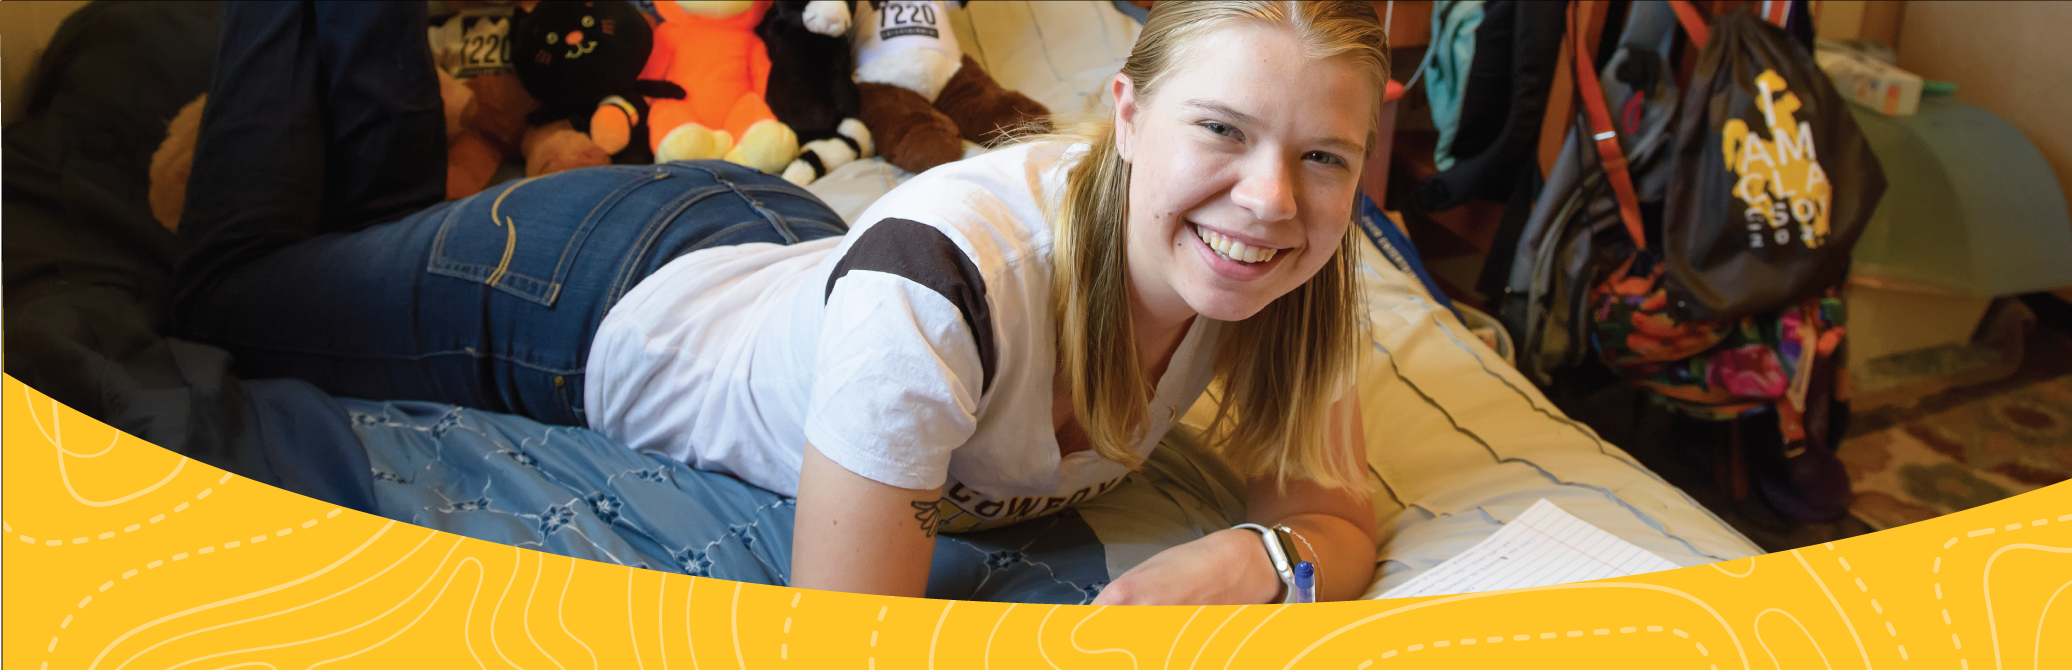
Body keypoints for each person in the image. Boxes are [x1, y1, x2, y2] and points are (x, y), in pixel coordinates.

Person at [174, 0, 1388, 605]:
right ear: (1125, 115)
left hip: (790, 250)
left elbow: (1332, 516)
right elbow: (844, 635)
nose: (1269, 199)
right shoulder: (951, 282)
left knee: (363, 245)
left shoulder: (1289, 259)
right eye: (1219, 132)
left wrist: (1257, 560)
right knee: (228, 299)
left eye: (1322, 156)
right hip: (592, 291)